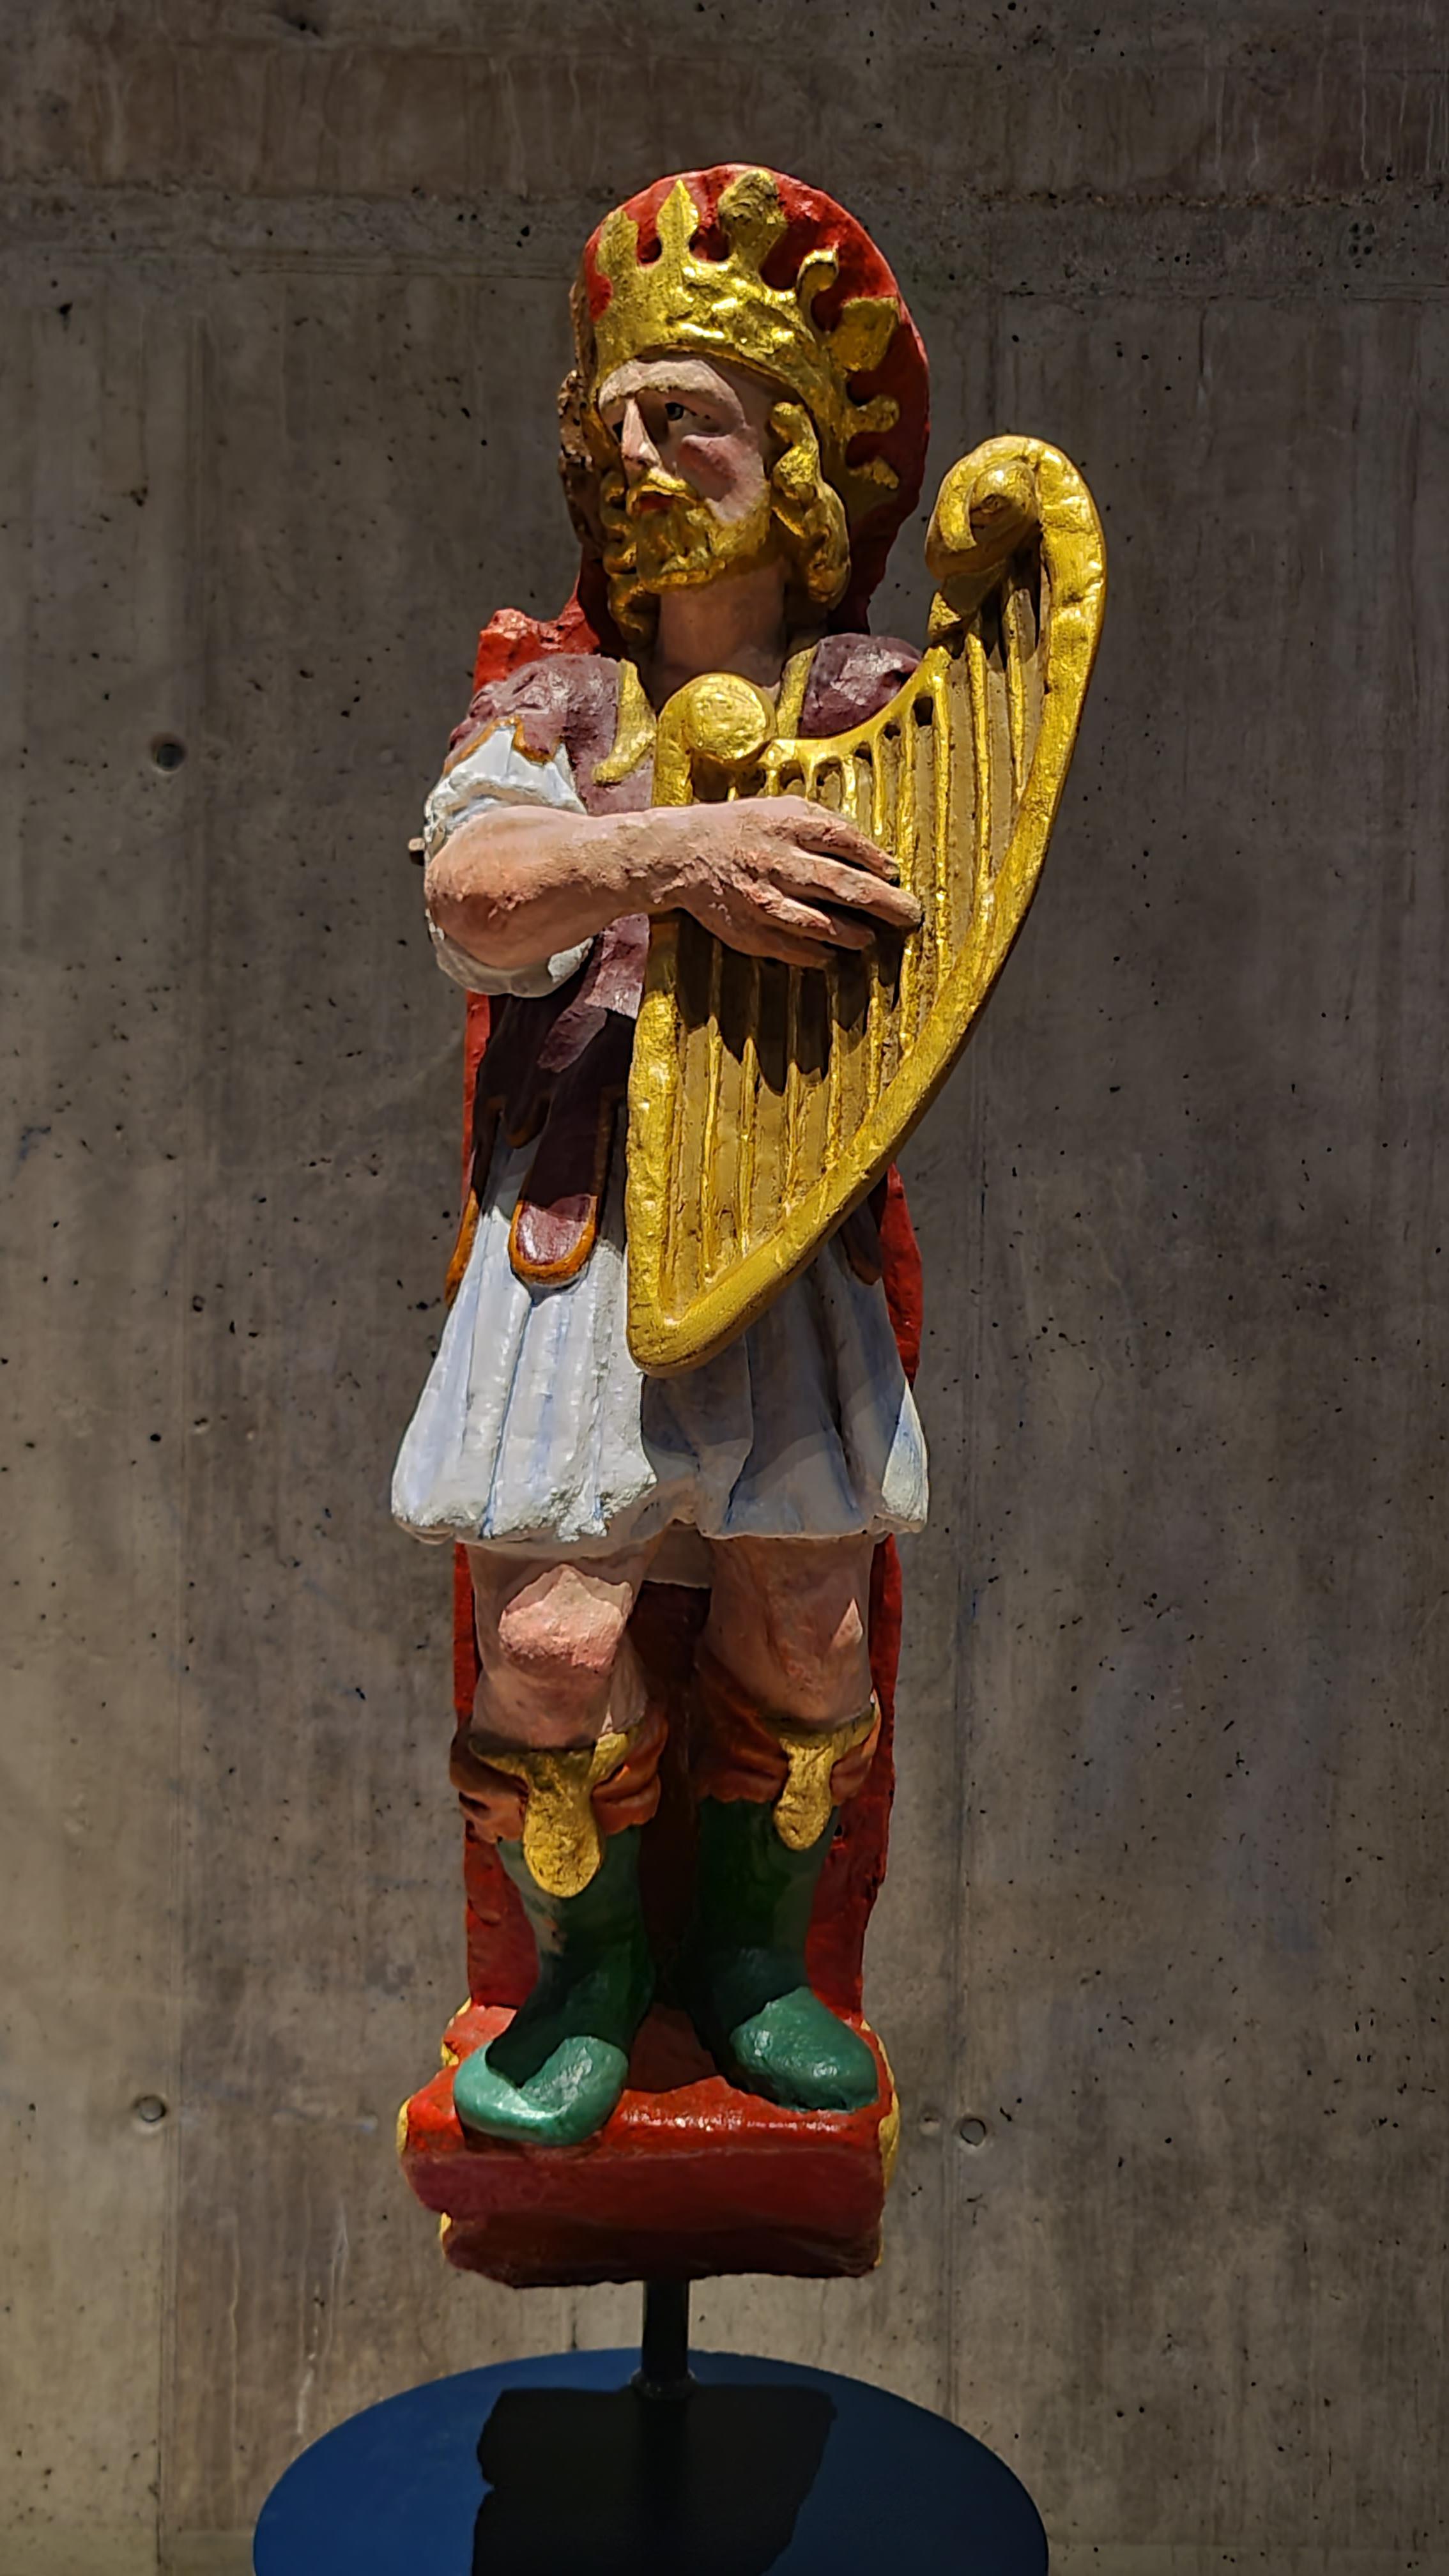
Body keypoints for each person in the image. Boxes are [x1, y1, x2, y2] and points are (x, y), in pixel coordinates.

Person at [394, 166, 932, 2146]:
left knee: (805, 1624)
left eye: (686, 416)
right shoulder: (554, 701)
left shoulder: (882, 710)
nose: (637, 456)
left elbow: (929, 935)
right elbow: (474, 893)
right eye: (612, 424)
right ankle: (589, 1973)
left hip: (783, 1214)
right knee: (550, 1640)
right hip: (584, 1221)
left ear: (792, 460)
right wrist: (669, 848)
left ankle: (758, 1968)